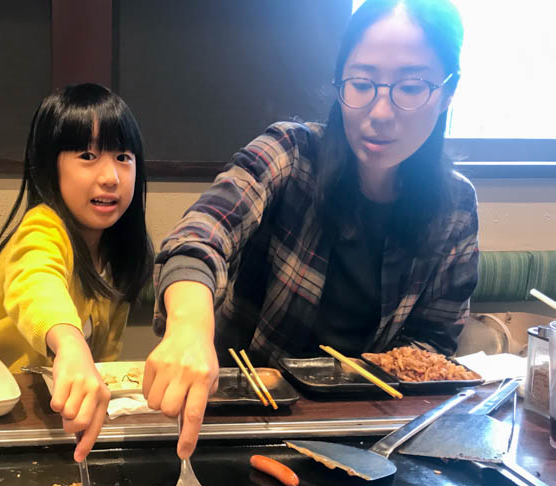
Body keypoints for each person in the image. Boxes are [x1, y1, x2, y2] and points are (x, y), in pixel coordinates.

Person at [144, 0, 478, 459]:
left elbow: (433, 344)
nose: (381, 111)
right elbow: (200, 237)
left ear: (447, 92)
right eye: (361, 83)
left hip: (367, 434)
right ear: (339, 83)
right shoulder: (291, 152)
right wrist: (188, 328)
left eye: (410, 86)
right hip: (244, 421)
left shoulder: (455, 205)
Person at [0, 83, 153, 461]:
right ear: (49, 167)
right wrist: (70, 344)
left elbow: (104, 354)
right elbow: (36, 283)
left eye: (123, 157)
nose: (111, 176)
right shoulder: (42, 227)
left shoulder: (119, 252)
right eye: (88, 155)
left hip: (25, 389)